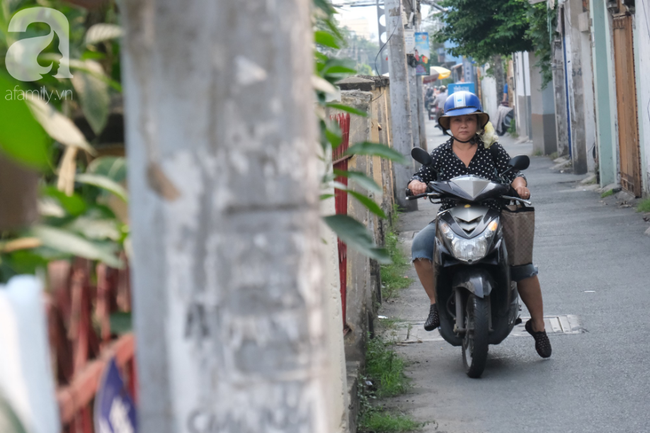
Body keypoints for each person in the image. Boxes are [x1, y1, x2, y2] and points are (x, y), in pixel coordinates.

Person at [407, 91, 552, 358]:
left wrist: (520, 187)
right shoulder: (439, 154)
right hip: (451, 218)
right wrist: (416, 184)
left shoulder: (491, 149)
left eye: (469, 120)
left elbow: (513, 173)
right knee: (420, 248)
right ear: (448, 125)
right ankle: (436, 305)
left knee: (523, 267)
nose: (463, 125)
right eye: (456, 120)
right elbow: (420, 176)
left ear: (478, 123)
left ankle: (539, 327)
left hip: (493, 218)